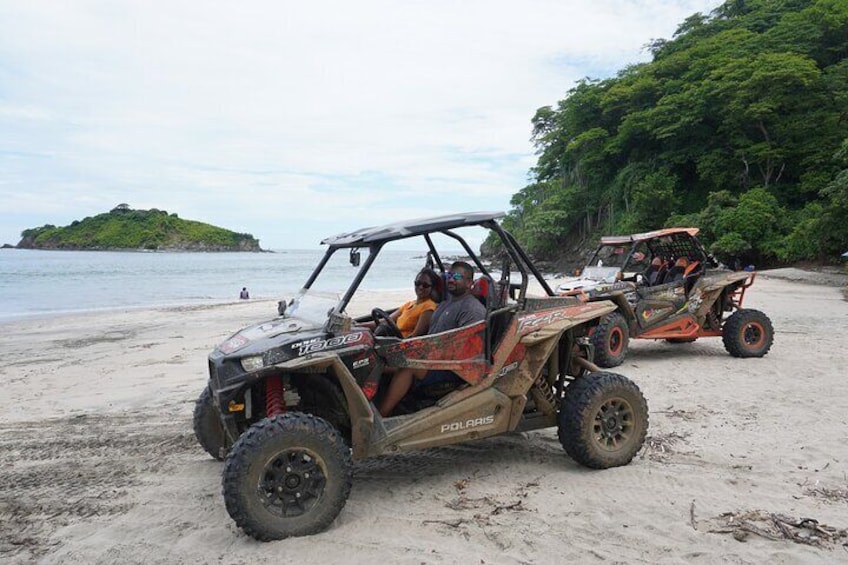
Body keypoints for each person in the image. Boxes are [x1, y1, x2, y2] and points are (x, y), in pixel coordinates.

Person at [378, 261, 486, 417]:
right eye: (449, 275)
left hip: (454, 367)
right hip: (432, 356)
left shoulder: (472, 309)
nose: (451, 279)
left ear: (469, 282)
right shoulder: (445, 303)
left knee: (408, 366)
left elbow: (467, 348)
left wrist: (424, 355)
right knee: (379, 362)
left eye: (456, 276)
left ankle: (382, 416)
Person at [380, 268, 440, 338]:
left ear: (432, 288)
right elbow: (386, 320)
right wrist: (364, 326)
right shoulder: (409, 304)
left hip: (404, 344)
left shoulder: (429, 307)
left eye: (425, 285)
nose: (420, 287)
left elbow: (415, 336)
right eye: (418, 283)